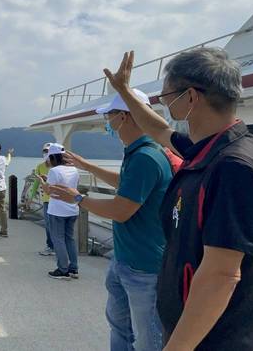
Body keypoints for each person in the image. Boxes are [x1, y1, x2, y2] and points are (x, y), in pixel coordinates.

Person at [102, 48, 253, 350]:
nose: (163, 104)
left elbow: (222, 274)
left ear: (190, 98)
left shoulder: (233, 169)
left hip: (216, 340)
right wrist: (123, 90)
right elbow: (160, 130)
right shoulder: (216, 149)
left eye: (165, 97)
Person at [50, 88, 172, 351]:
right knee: (120, 326)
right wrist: (87, 166)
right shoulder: (137, 152)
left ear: (126, 117)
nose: (108, 122)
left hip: (143, 266)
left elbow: (121, 210)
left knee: (148, 338)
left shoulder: (146, 157)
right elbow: (125, 185)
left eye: (110, 116)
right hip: (125, 259)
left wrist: (77, 199)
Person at [41, 143, 80, 279]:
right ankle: (73, 268)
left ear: (52, 157)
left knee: (58, 239)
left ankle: (63, 269)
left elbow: (49, 191)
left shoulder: (54, 171)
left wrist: (42, 181)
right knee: (69, 238)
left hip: (57, 210)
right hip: (73, 208)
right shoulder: (74, 170)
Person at [31, 143, 55, 256]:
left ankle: (59, 248)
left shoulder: (58, 166)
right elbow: (36, 182)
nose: (46, 153)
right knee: (48, 225)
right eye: (44, 151)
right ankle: (50, 246)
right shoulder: (40, 167)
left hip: (58, 200)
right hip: (46, 200)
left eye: (48, 151)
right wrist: (30, 198)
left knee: (57, 226)